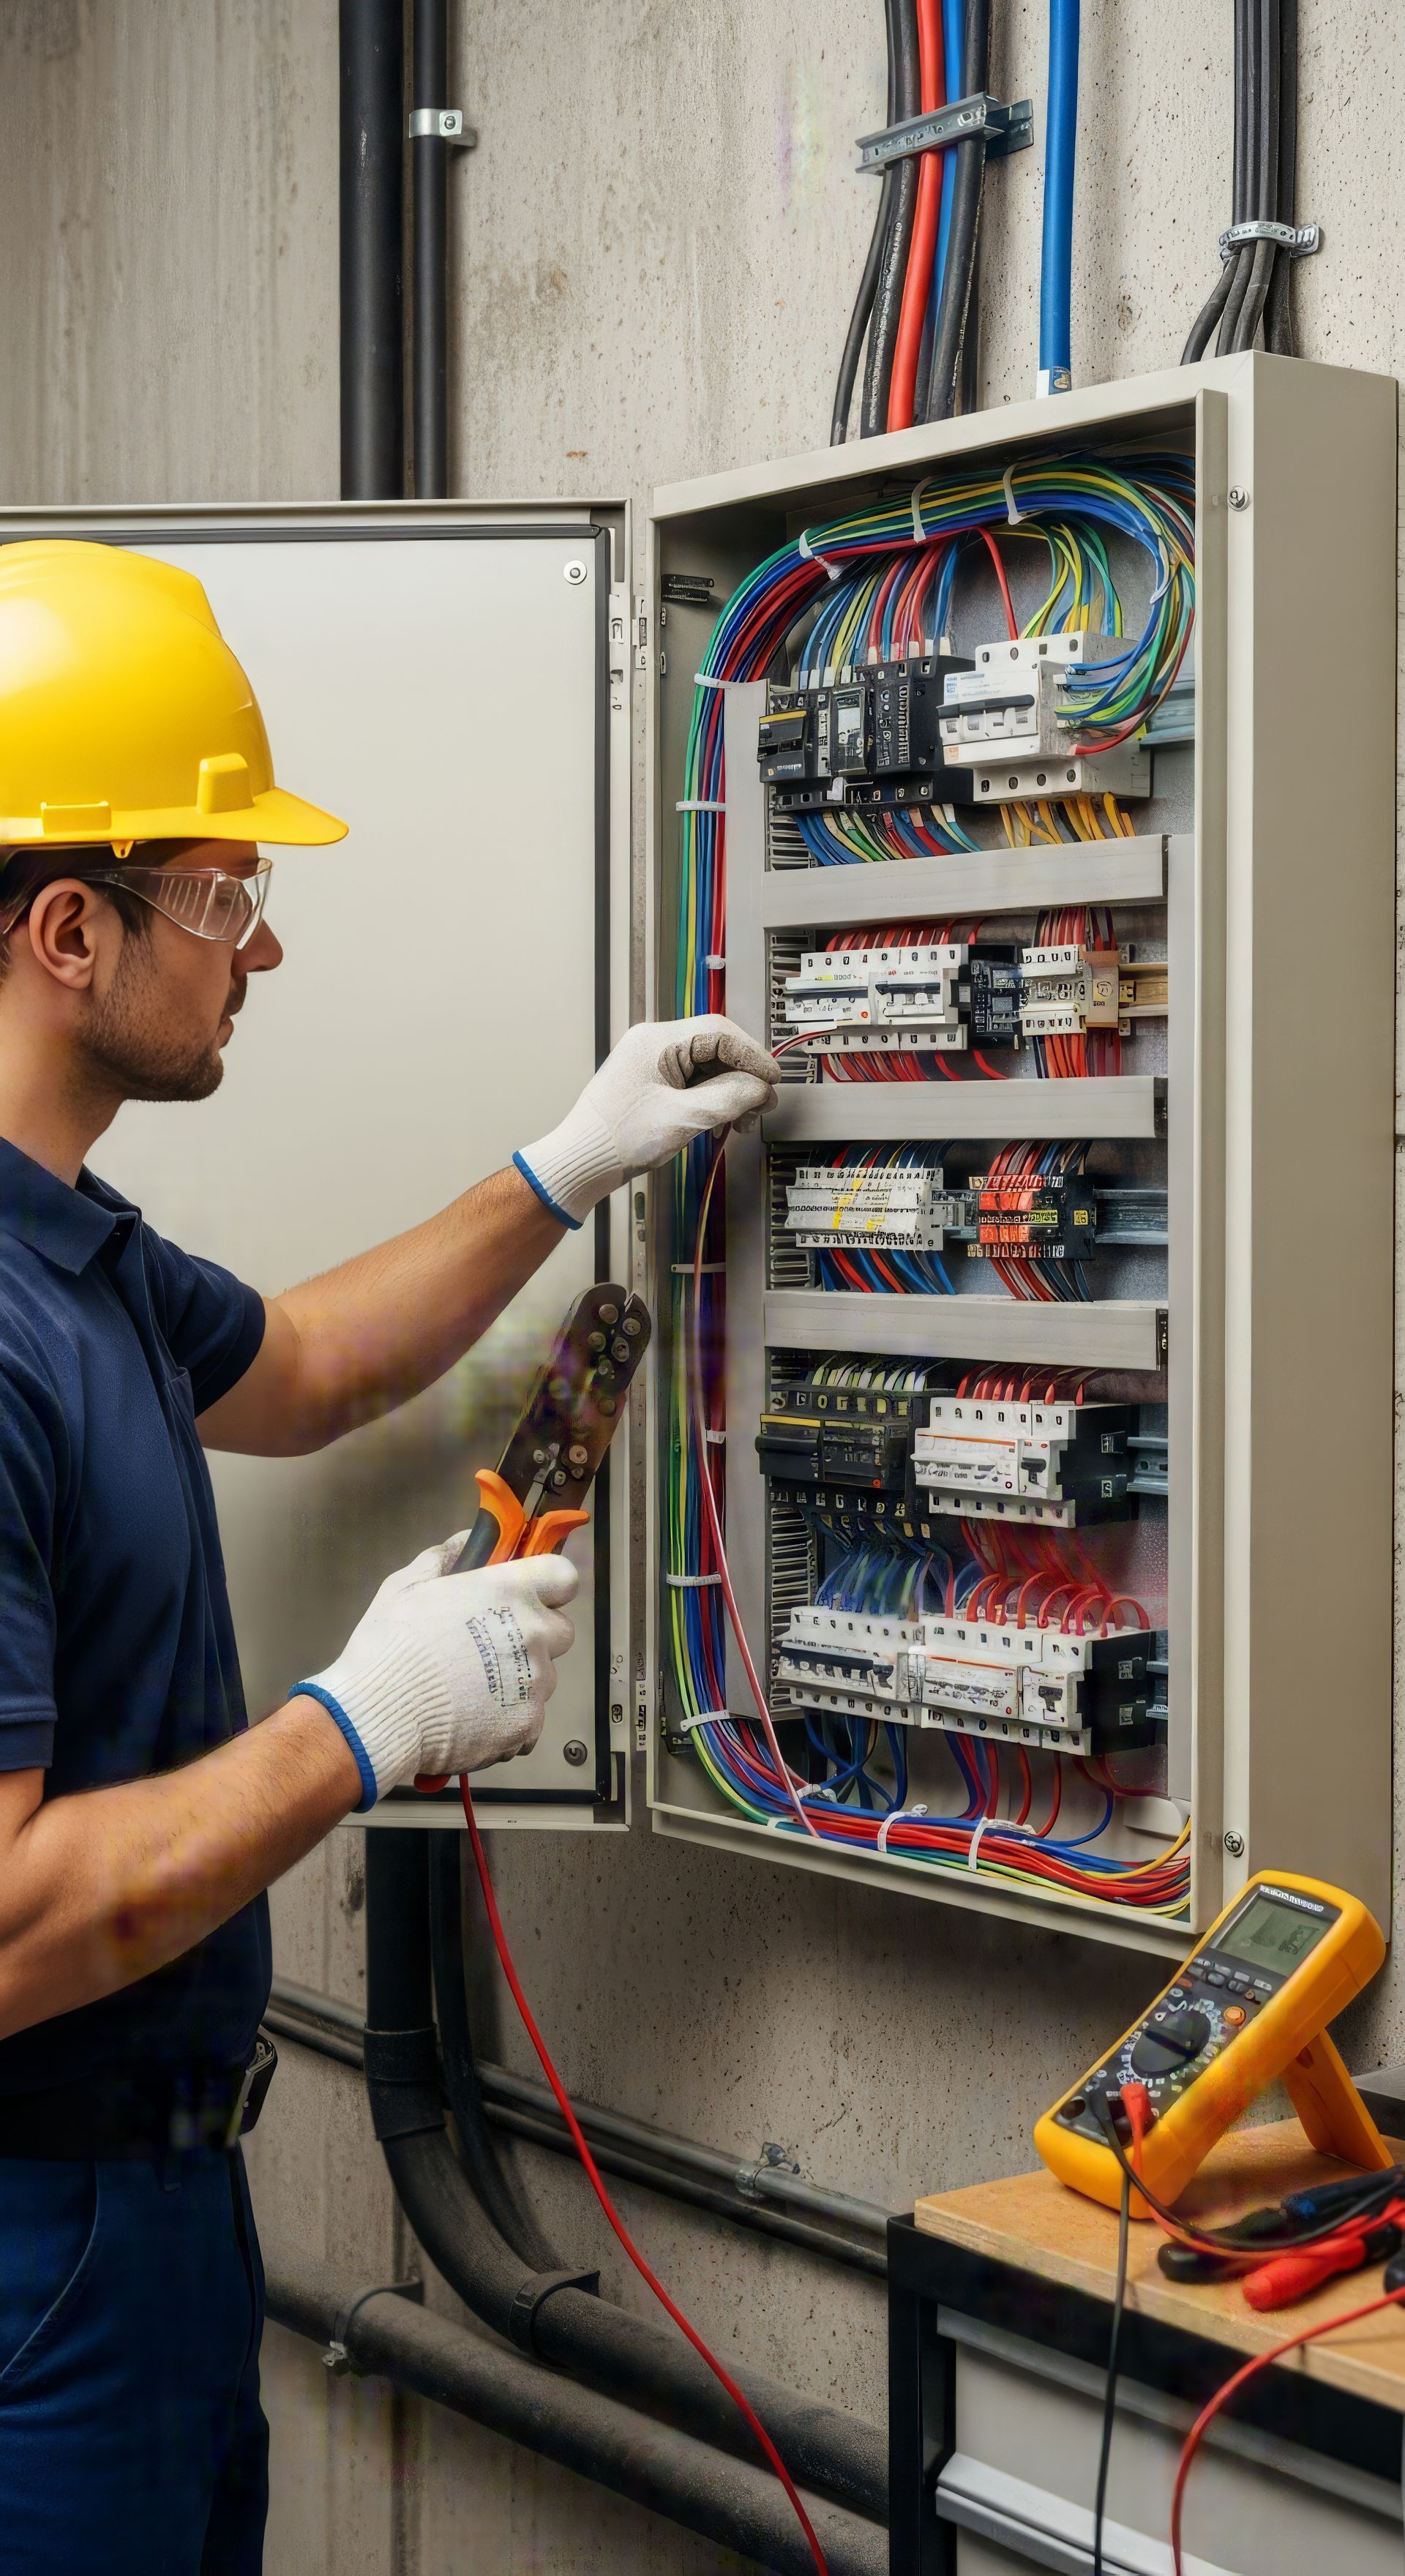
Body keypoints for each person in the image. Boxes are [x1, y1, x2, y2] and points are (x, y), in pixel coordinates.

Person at [0, 539, 779, 2575]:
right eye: (229, 896)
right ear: (70, 929)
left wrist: (561, 1167)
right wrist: (357, 1728)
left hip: (151, 2225)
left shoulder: (75, 1258)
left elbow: (319, 1362)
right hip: (31, 2253)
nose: (260, 952)